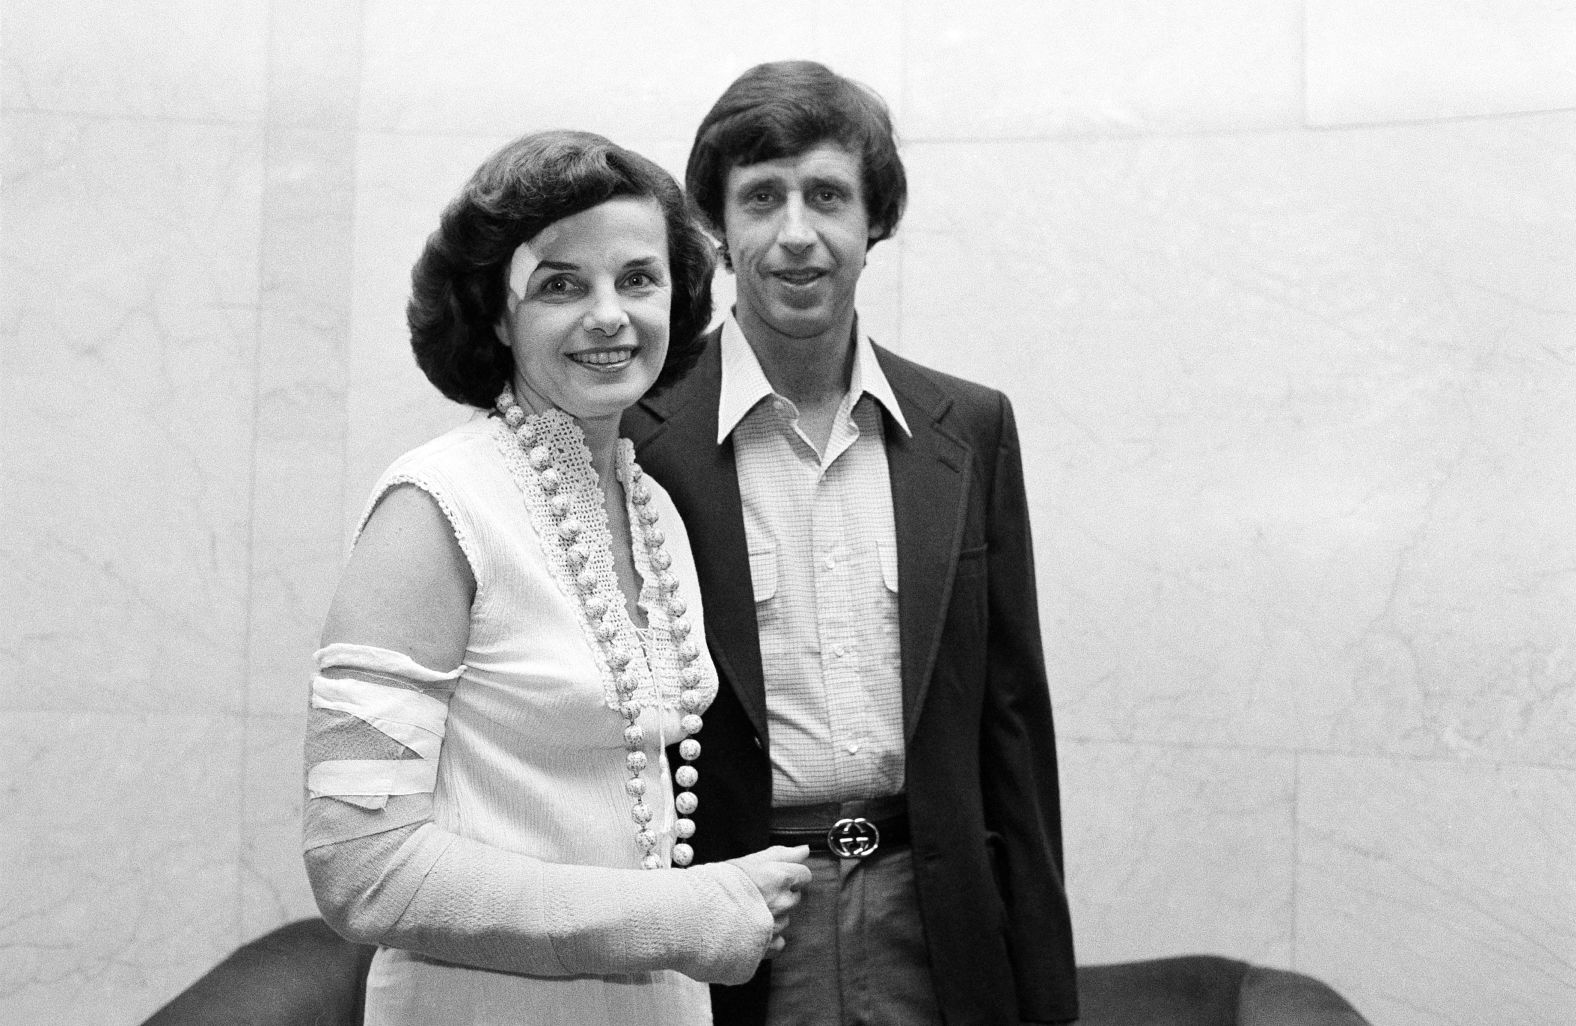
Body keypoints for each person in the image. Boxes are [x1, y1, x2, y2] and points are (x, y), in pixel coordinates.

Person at [302, 130, 811, 1026]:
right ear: (497, 317)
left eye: (639, 279)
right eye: (561, 284)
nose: (609, 314)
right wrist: (685, 914)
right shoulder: (434, 507)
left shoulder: (655, 510)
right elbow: (360, 869)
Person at [623, 61, 1079, 1025]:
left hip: (934, 923)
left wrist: (1043, 985)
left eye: (827, 195)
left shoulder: (970, 429)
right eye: (761, 198)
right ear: (715, 227)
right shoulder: (636, 440)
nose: (796, 234)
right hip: (731, 925)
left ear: (875, 221)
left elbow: (1011, 719)